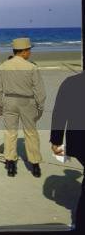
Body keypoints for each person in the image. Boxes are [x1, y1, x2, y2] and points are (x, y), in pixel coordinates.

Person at [0, 37, 46, 177]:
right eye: (29, 50)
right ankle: (35, 165)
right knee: (31, 132)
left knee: (10, 132)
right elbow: (40, 90)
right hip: (27, 102)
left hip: (9, 101)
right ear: (23, 51)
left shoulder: (3, 66)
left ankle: (10, 164)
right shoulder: (32, 67)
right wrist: (40, 106)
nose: (30, 53)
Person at [50, 71, 85, 232]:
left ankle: (80, 224)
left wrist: (56, 140)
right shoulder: (70, 82)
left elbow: (59, 112)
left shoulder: (70, 82)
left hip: (78, 140)